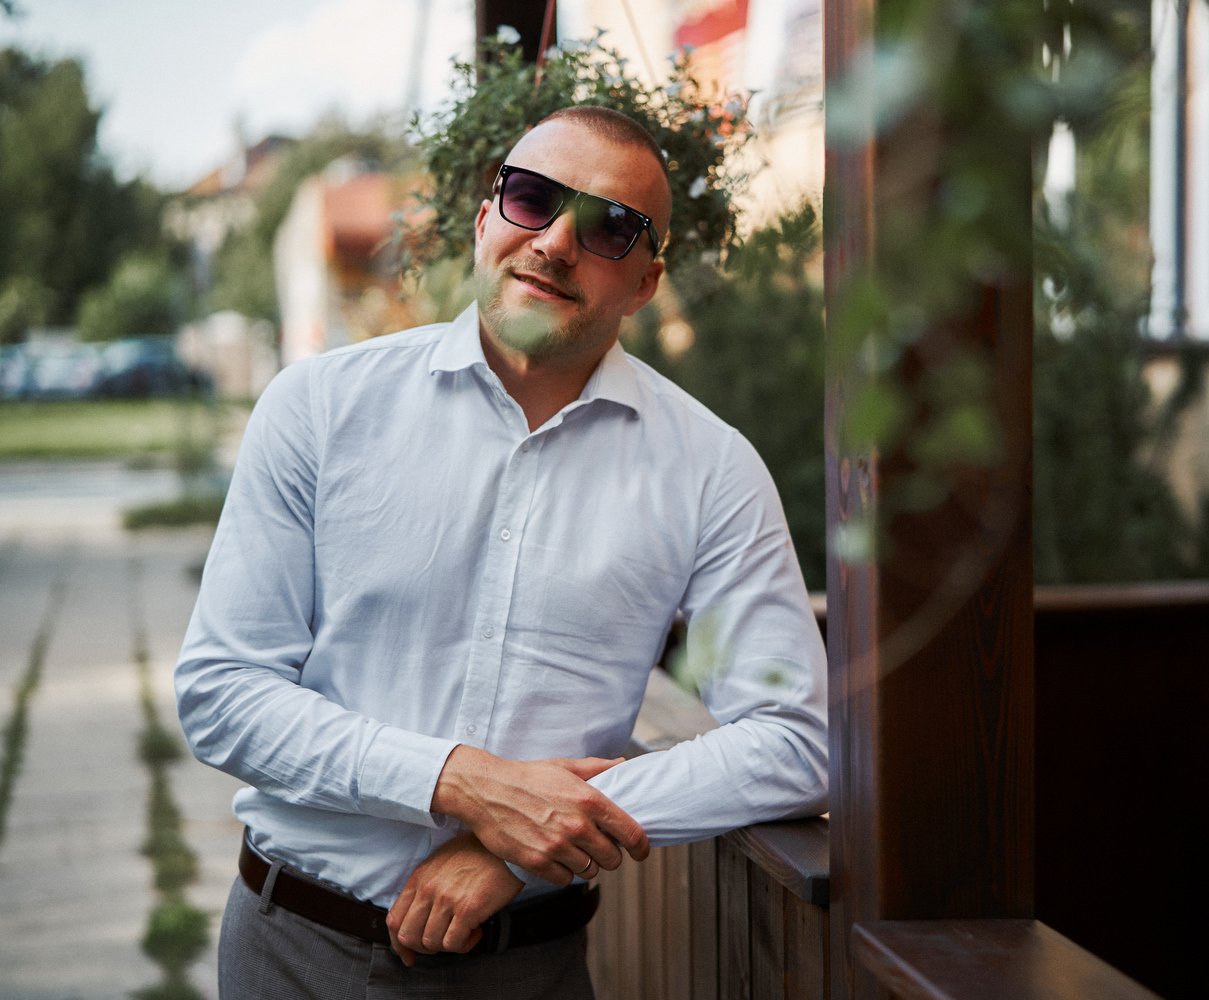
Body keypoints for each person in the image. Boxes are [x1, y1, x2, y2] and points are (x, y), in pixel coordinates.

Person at [176, 105, 828, 1000]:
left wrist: (523, 846)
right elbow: (222, 693)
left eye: (610, 228)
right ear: (487, 220)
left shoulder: (710, 469)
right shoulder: (319, 408)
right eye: (532, 198)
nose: (555, 242)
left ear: (647, 281)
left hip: (530, 969)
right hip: (294, 953)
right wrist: (464, 785)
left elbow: (797, 739)